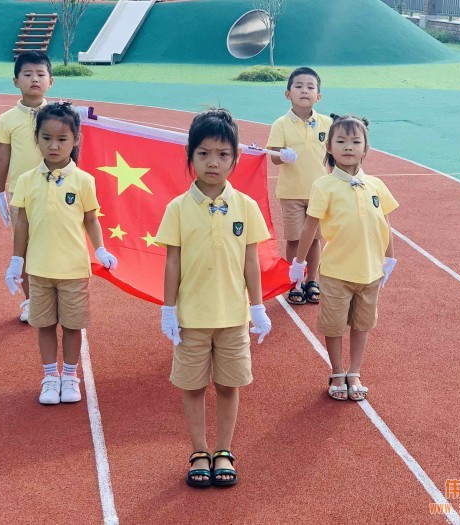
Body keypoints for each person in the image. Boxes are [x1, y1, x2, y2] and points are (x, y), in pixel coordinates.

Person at [156, 109, 273, 488]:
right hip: (191, 318)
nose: (214, 162)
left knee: (228, 385)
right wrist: (168, 309)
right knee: (193, 386)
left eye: (223, 154)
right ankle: (198, 450)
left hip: (233, 317)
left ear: (236, 159)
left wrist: (257, 306)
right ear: (190, 157)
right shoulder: (177, 208)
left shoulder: (246, 207)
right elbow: (172, 261)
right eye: (204, 153)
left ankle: (223, 450)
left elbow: (251, 261)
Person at [4, 102, 118, 405]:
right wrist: (17, 262)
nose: (53, 145)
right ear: (37, 138)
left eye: (62, 139)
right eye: (46, 138)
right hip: (39, 270)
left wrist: (101, 249)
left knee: (71, 326)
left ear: (76, 140)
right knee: (43, 326)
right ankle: (49, 377)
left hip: (74, 271)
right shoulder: (27, 180)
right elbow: (23, 224)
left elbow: (91, 219)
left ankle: (70, 376)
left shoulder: (84, 181)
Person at [289, 115, 398, 401]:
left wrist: (389, 258)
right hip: (337, 272)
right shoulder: (324, 186)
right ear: (329, 148)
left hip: (370, 272)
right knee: (334, 325)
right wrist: (299, 263)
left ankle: (355, 370)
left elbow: (385, 223)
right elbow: (310, 227)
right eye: (341, 141)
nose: (348, 146)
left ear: (366, 148)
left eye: (355, 141)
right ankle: (337, 370)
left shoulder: (376, 185)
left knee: (362, 324)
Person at [0, 50, 53, 323]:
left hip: (56, 192)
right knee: (24, 250)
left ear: (51, 80)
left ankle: (53, 299)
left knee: (53, 247)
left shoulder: (58, 114)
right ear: (16, 80)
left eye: (40, 74)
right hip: (22, 195)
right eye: (27, 74)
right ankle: (31, 302)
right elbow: (2, 157)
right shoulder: (8, 119)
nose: (34, 80)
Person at [266, 66, 332, 306]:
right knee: (294, 239)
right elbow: (272, 155)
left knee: (314, 239)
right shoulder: (281, 124)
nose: (304, 91)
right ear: (287, 94)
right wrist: (282, 155)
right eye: (299, 86)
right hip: (291, 193)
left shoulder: (326, 123)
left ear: (319, 96)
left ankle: (311, 280)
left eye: (310, 87)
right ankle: (295, 282)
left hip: (318, 193)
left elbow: (334, 156)